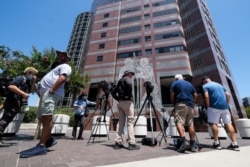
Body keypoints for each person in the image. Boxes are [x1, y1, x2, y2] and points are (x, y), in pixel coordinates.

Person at [19, 50, 72, 158]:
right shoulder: (54, 68)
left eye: (61, 55)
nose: (58, 56)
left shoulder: (65, 66)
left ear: (66, 58)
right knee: (42, 117)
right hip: (45, 94)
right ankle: (49, 139)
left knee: (47, 117)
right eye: (58, 54)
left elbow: (63, 78)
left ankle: (41, 145)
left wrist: (52, 89)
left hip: (51, 93)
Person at [0, 67, 38, 147]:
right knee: (5, 120)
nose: (33, 75)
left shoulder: (27, 81)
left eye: (34, 74)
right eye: (32, 73)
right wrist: (23, 93)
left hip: (16, 103)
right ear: (28, 72)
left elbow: (31, 90)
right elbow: (11, 86)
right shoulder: (20, 78)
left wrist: (34, 81)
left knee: (6, 120)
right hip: (12, 102)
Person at [201, 76, 239, 151]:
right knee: (228, 123)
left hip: (213, 107)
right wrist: (227, 104)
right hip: (224, 107)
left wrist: (208, 106)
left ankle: (216, 143)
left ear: (204, 81)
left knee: (213, 124)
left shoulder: (205, 86)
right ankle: (235, 143)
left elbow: (206, 96)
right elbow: (228, 95)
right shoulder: (220, 85)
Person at [111, 70, 140, 150]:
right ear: (127, 74)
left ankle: (117, 142)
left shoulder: (119, 81)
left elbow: (113, 93)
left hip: (120, 103)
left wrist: (119, 99)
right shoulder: (127, 79)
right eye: (131, 74)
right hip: (127, 102)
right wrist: (129, 96)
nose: (131, 76)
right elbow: (130, 84)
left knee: (120, 123)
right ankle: (131, 143)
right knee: (130, 122)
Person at [170, 74, 197, 153]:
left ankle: (183, 141)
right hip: (190, 105)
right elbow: (195, 94)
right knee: (190, 124)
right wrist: (193, 103)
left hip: (180, 103)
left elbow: (172, 93)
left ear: (176, 79)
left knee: (179, 122)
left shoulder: (175, 83)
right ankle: (192, 144)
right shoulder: (189, 84)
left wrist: (173, 103)